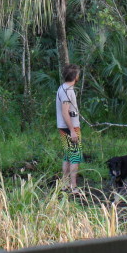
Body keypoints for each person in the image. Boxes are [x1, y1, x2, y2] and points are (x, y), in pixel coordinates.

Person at [55, 64, 82, 192]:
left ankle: (64, 184)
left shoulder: (62, 88)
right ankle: (73, 186)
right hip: (69, 128)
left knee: (67, 156)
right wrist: (72, 130)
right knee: (75, 157)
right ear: (76, 77)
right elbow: (65, 112)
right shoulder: (67, 91)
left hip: (64, 127)